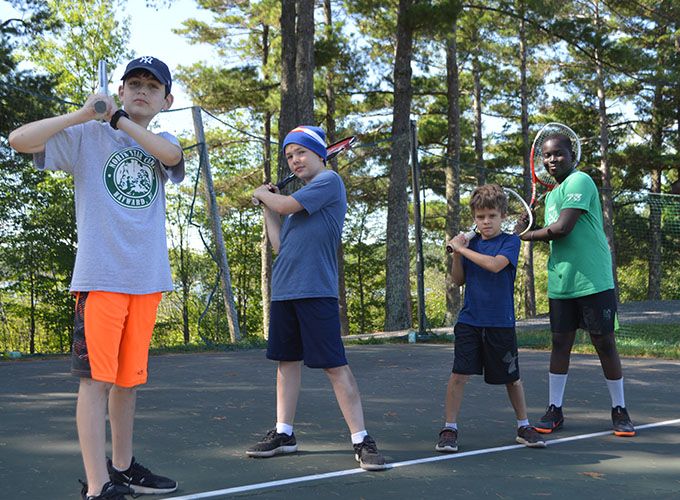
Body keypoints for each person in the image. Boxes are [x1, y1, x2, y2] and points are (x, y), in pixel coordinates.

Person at [9, 56, 185, 499]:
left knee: (128, 382)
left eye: (152, 85)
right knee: (96, 382)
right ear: (120, 89)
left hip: (146, 280)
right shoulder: (87, 135)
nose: (141, 89)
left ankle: (122, 469)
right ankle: (97, 486)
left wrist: (119, 119)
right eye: (133, 83)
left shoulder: (160, 138)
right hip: (102, 278)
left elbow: (171, 156)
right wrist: (87, 113)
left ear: (166, 100)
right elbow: (17, 140)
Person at [248, 126, 387, 471]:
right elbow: (280, 244)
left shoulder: (329, 182)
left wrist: (267, 196)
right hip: (285, 291)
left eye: (301, 152)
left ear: (320, 154)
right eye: (289, 155)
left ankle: (361, 440)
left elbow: (283, 202)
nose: (294, 160)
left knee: (334, 366)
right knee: (286, 362)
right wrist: (268, 207)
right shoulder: (300, 207)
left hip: (316, 292)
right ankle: (284, 433)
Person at [518, 132, 635, 437]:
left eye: (557, 153)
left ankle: (619, 409)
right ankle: (554, 409)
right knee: (560, 344)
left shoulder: (580, 181)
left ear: (572, 155)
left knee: (604, 342)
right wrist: (526, 227)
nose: (551, 160)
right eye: (546, 155)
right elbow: (548, 231)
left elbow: (562, 229)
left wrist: (526, 235)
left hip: (593, 280)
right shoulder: (552, 195)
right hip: (562, 281)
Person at [436, 184, 545, 453]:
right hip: (470, 321)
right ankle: (450, 428)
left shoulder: (510, 242)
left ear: (503, 216)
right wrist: (457, 254)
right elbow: (459, 280)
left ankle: (523, 426)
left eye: (492, 216)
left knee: (512, 379)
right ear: (474, 218)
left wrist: (462, 249)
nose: (486, 222)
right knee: (458, 375)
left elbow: (495, 266)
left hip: (501, 323)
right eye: (480, 217)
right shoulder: (470, 244)